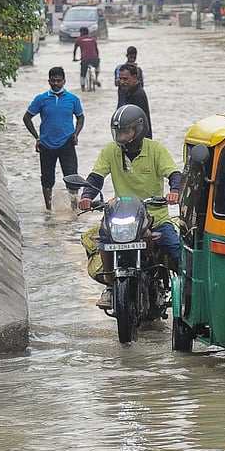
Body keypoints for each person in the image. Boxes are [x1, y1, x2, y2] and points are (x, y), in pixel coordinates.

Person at [77, 104, 182, 308]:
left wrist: (174, 192)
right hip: (123, 214)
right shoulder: (110, 150)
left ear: (139, 129)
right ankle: (109, 287)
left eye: (126, 131)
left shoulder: (156, 149)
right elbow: (96, 177)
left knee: (175, 249)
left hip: (155, 215)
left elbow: (174, 174)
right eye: (118, 132)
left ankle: (186, 293)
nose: (121, 136)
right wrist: (87, 195)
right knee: (104, 238)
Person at [23, 67, 84, 211]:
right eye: (53, 81)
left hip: (67, 143)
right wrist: (37, 138)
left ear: (64, 81)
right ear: (48, 81)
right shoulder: (41, 99)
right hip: (46, 145)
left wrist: (76, 133)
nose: (56, 83)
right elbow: (27, 118)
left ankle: (74, 210)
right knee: (47, 180)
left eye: (59, 81)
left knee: (72, 178)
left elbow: (80, 117)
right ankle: (48, 210)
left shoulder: (73, 99)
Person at [116, 63, 152, 139]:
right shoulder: (128, 92)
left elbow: (139, 124)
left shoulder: (137, 96)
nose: (122, 82)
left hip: (138, 142)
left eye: (125, 79)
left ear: (135, 77)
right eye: (120, 79)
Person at [72, 27, 100, 92]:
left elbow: (75, 50)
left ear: (82, 32)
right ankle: (96, 78)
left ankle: (83, 89)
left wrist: (74, 58)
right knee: (97, 66)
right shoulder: (93, 39)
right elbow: (96, 49)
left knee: (83, 74)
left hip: (85, 60)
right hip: (94, 59)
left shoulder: (79, 40)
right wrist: (97, 58)